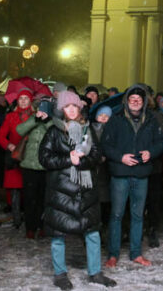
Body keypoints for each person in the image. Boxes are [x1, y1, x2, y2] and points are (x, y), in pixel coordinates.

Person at [39, 91, 116, 289]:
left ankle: (95, 272)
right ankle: (60, 274)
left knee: (92, 232)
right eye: (67, 107)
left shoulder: (87, 130)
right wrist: (68, 159)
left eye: (74, 106)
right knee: (58, 235)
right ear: (62, 110)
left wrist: (82, 160)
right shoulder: (54, 131)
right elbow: (44, 158)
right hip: (61, 192)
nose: (72, 110)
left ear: (79, 108)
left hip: (86, 189)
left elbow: (98, 154)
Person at [100, 84, 163, 267]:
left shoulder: (151, 120)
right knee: (117, 215)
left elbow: (161, 143)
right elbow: (106, 145)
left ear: (144, 102)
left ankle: (136, 253)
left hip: (141, 174)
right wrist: (121, 157)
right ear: (127, 102)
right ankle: (113, 255)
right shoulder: (116, 119)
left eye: (139, 99)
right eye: (132, 99)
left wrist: (150, 153)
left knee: (138, 216)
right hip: (120, 174)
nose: (135, 102)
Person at [0, 85, 34, 228]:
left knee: (29, 189)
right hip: (15, 157)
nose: (23, 101)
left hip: (30, 157)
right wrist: (9, 145)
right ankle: (17, 217)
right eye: (21, 99)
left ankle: (29, 217)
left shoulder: (35, 117)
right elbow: (0, 136)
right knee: (15, 188)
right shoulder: (10, 116)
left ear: (30, 101)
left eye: (26, 99)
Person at [16, 93, 52, 238]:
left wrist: (47, 120)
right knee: (30, 199)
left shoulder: (53, 122)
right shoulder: (33, 119)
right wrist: (35, 120)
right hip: (29, 166)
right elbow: (19, 130)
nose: (41, 111)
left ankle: (43, 226)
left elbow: (57, 134)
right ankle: (30, 228)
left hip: (45, 167)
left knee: (44, 200)